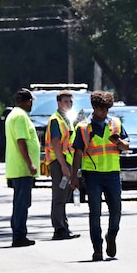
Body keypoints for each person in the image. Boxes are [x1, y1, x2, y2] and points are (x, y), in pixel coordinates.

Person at [71, 91, 129, 262]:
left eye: (106, 109)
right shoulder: (83, 128)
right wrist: (74, 176)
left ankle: (111, 236)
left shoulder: (116, 124)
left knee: (116, 211)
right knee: (94, 213)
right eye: (100, 109)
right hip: (93, 175)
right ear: (94, 108)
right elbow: (78, 154)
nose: (103, 112)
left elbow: (126, 146)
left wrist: (119, 142)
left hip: (112, 174)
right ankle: (97, 248)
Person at [42, 91, 80, 241]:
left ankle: (64, 227)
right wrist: (63, 166)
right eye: (66, 101)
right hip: (58, 161)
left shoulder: (67, 119)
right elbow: (56, 144)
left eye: (71, 102)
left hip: (65, 161)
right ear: (58, 103)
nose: (69, 104)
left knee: (64, 195)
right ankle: (59, 229)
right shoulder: (56, 120)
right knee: (59, 196)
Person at [3, 88, 39, 247]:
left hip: (17, 167)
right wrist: (30, 163)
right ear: (26, 101)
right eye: (31, 101)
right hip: (21, 167)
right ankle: (19, 235)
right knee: (22, 203)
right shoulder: (20, 117)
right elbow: (21, 141)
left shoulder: (14, 115)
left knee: (20, 202)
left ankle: (19, 233)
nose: (31, 104)